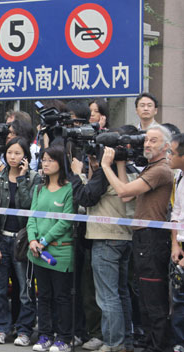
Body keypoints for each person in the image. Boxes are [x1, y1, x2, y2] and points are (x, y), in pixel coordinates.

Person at [101, 125, 173, 352]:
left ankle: (157, 346)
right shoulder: (152, 167)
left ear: (166, 146)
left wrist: (105, 165)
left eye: (153, 140)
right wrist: (120, 164)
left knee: (153, 298)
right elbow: (129, 194)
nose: (147, 144)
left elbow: (122, 192)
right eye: (147, 140)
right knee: (144, 295)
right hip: (143, 237)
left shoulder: (161, 169)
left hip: (153, 238)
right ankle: (149, 343)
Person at [68, 132, 139, 352]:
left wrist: (76, 175)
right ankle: (124, 340)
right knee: (120, 293)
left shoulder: (105, 173)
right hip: (124, 237)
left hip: (106, 238)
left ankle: (112, 342)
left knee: (107, 296)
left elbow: (86, 197)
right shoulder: (127, 168)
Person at [0, 137, 41, 346]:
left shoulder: (33, 178)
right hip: (2, 238)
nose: (13, 157)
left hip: (22, 240)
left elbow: (29, 206)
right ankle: (2, 328)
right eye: (10, 153)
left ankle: (24, 330)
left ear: (25, 156)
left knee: (24, 290)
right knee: (0, 289)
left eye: (18, 153)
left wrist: (21, 180)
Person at [28, 146, 75, 352]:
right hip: (37, 252)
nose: (45, 164)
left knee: (62, 297)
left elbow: (65, 222)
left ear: (61, 163)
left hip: (60, 252)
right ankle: (45, 334)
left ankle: (64, 337)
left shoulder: (69, 189)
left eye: (50, 160)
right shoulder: (39, 188)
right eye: (43, 160)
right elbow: (31, 217)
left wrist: (44, 241)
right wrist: (32, 240)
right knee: (43, 295)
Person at [169, 133, 184, 352]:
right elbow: (176, 212)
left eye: (171, 152)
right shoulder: (179, 176)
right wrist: (175, 244)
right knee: (179, 300)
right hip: (180, 246)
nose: (168, 156)